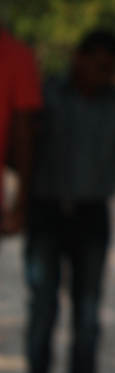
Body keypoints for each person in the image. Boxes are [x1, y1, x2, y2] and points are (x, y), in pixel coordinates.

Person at [20, 28, 115, 373]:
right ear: (79, 58)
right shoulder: (47, 96)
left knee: (88, 318)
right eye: (99, 66)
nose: (104, 75)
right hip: (45, 213)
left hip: (91, 218)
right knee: (42, 313)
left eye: (111, 69)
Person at [0, 25, 42, 236]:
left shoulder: (16, 56)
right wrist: (21, 205)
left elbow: (24, 134)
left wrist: (20, 204)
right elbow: (24, 136)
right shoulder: (17, 55)